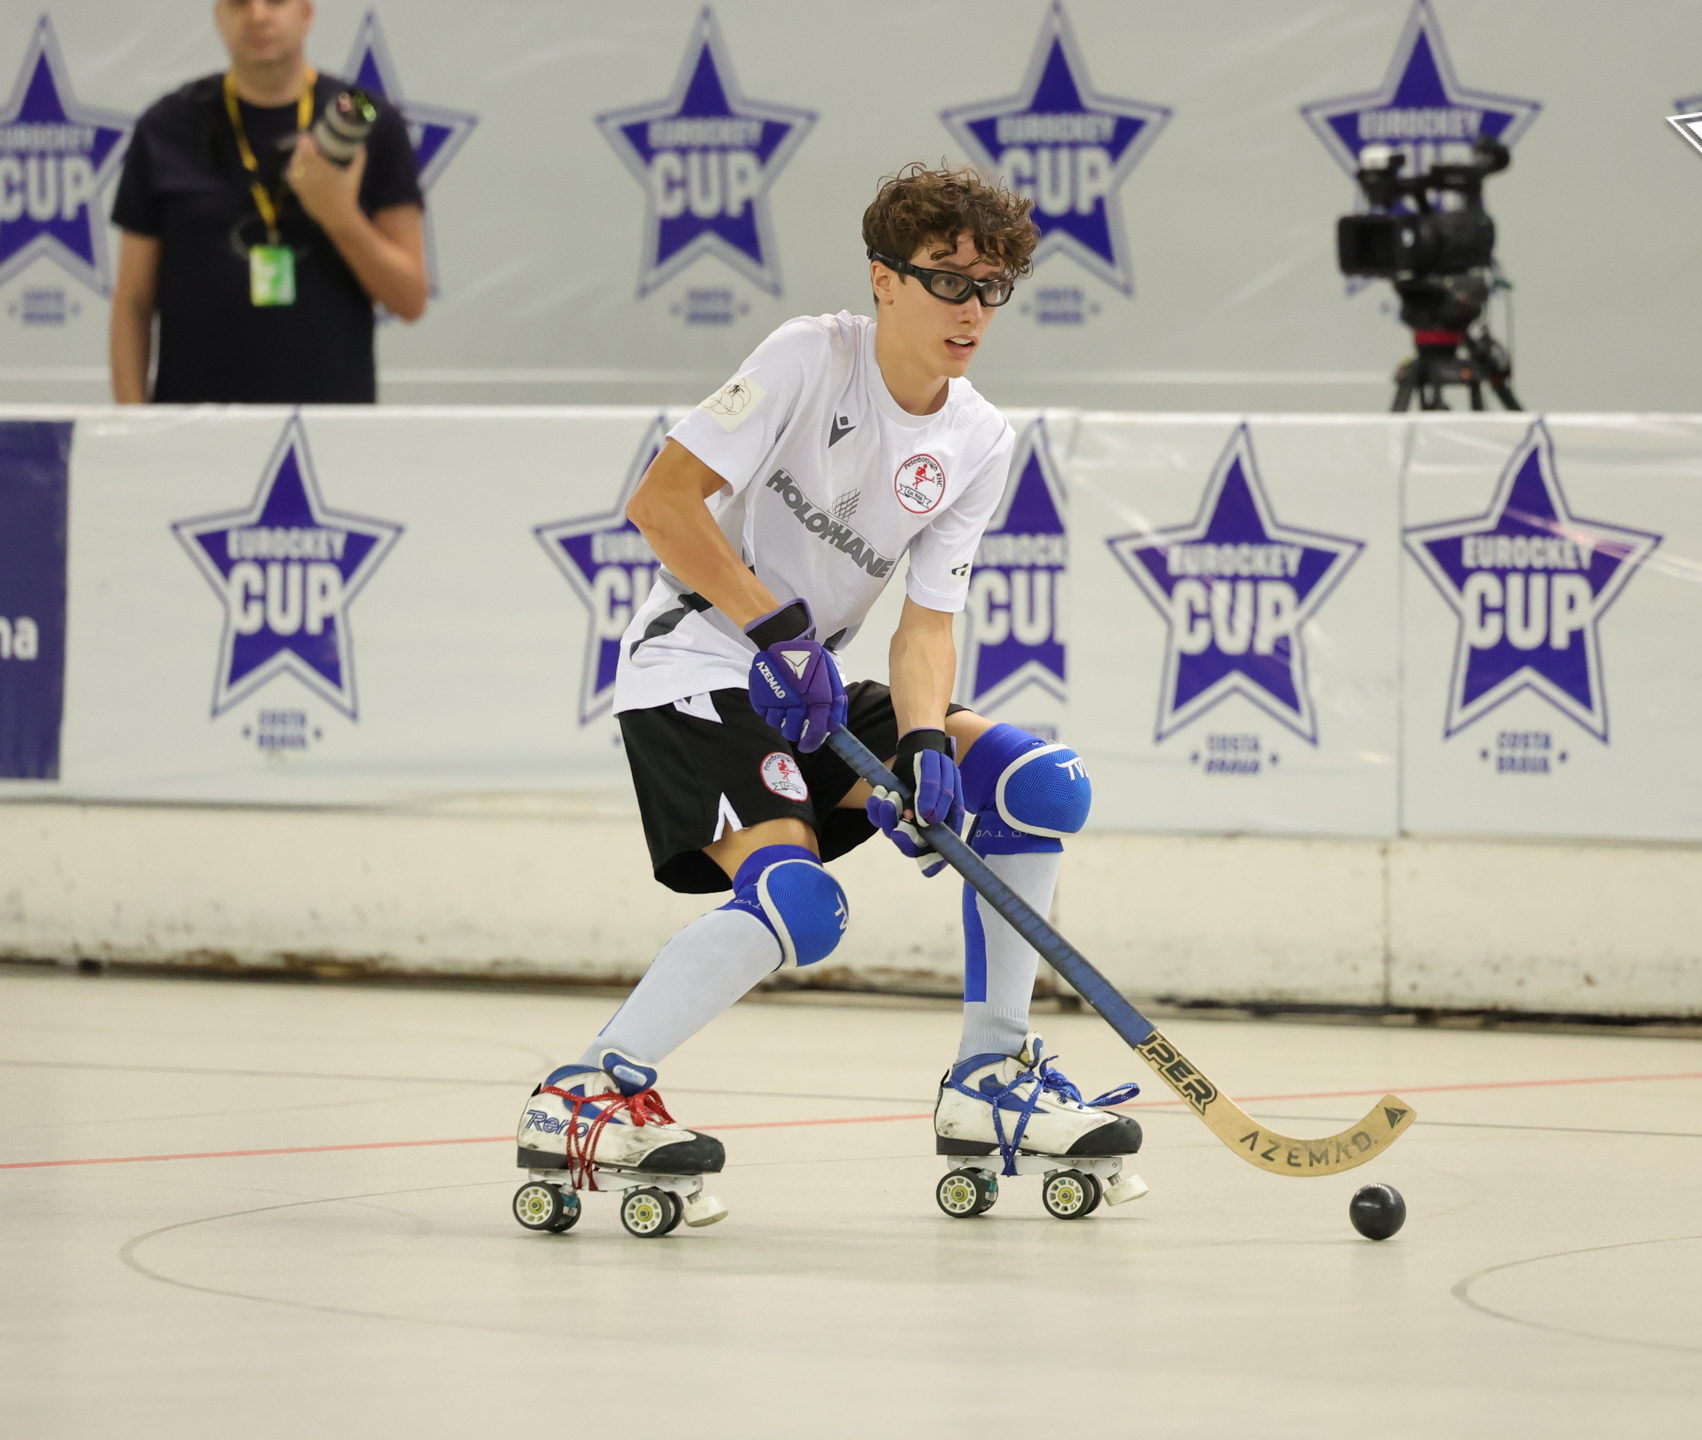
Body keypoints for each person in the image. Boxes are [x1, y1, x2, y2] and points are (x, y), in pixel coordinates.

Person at [510, 164, 1143, 1233]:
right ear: (884, 279)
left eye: (993, 287)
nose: (973, 310)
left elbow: (927, 625)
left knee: (1036, 788)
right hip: (696, 667)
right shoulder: (811, 356)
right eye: (948, 280)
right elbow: (662, 505)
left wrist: (928, 744)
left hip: (810, 685)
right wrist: (774, 627)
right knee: (801, 904)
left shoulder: (979, 439)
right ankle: (585, 1093)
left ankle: (991, 1077)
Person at [108, 0, 426, 404]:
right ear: (219, 18)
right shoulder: (167, 124)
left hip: (328, 424)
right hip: (193, 422)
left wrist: (339, 215)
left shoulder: (362, 115)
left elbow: (410, 299)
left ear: (306, 13)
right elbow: (133, 303)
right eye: (239, 3)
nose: (258, 15)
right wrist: (133, 423)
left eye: (276, 1)